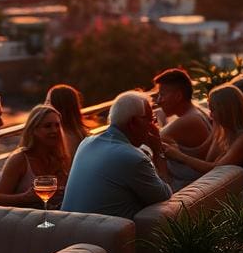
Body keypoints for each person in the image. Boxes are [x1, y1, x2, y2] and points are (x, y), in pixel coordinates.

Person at [61, 91, 172, 219]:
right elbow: (165, 197)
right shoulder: (132, 158)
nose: (153, 126)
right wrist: (158, 152)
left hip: (68, 228)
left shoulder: (86, 143)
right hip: (101, 236)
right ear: (133, 122)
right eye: (150, 120)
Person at [162, 83, 243, 182]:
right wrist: (176, 150)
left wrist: (180, 156)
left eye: (213, 109)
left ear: (226, 111)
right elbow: (207, 159)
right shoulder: (228, 133)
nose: (210, 115)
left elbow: (216, 169)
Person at [0, 104, 70, 209]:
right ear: (33, 130)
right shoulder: (19, 160)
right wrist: (26, 198)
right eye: (48, 126)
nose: (54, 130)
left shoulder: (62, 159)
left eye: (57, 125)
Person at [153, 68, 214, 188]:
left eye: (162, 95)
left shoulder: (189, 120)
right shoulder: (195, 110)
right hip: (195, 182)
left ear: (178, 96)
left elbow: (151, 141)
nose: (158, 101)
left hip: (193, 186)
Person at [45, 84, 92, 160]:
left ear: (58, 107)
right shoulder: (80, 133)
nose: (44, 107)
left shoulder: (60, 139)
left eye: (48, 102)